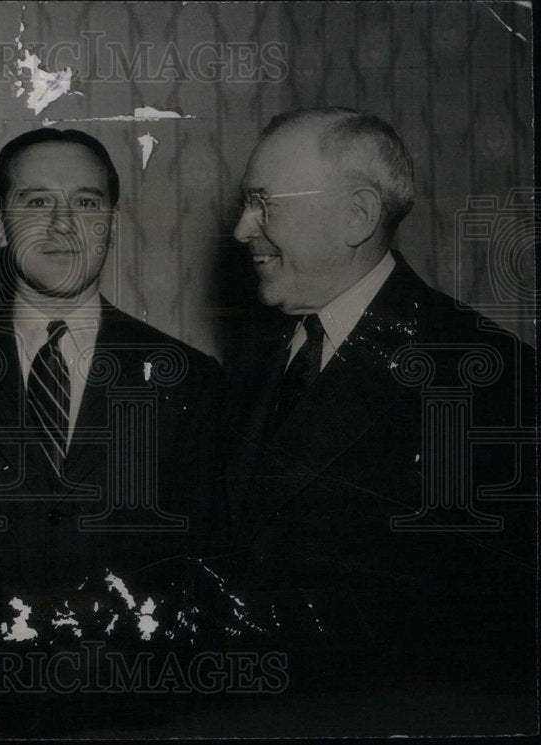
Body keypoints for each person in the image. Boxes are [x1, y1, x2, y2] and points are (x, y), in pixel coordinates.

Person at [0, 129, 228, 734]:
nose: (63, 224)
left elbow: (201, 577)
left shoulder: (189, 382)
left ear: (112, 224)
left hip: (137, 719)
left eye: (86, 202)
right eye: (37, 202)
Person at [223, 108, 536, 711]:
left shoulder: (485, 376)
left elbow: (494, 641)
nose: (242, 229)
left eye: (265, 203)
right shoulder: (256, 361)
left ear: (357, 215)